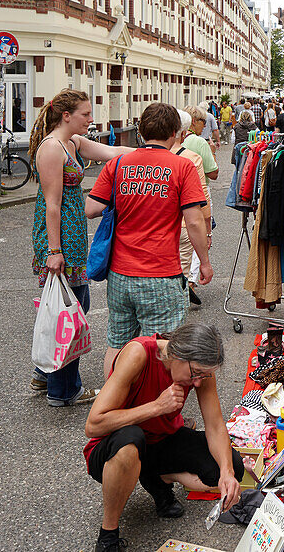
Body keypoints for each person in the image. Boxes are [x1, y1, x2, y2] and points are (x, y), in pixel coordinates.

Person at [84, 321, 243, 552]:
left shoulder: (200, 370)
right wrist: (156, 407)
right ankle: (108, 533)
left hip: (159, 441)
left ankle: (158, 478)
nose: (197, 382)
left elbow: (216, 426)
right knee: (131, 439)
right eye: (195, 374)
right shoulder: (139, 354)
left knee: (231, 466)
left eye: (204, 376)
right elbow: (94, 424)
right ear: (177, 353)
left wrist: (227, 473)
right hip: (112, 448)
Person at [85, 103, 212, 379]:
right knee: (166, 347)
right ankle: (160, 413)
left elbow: (91, 209)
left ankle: (112, 405)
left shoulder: (117, 164)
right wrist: (204, 262)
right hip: (161, 275)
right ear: (175, 134)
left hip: (119, 274)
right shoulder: (182, 167)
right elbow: (193, 221)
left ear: (141, 131)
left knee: (118, 346)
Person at [29, 90, 134, 406]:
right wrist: (54, 251)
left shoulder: (71, 143)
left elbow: (114, 151)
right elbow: (51, 205)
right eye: (86, 114)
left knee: (65, 304)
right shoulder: (51, 149)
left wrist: (154, 153)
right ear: (66, 116)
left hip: (72, 234)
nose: (91, 119)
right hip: (60, 237)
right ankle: (63, 390)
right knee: (71, 310)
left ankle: (44, 372)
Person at [172, 111, 212, 310]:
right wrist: (208, 231)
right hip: (184, 226)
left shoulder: (143, 157)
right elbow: (201, 200)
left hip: (157, 229)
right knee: (181, 272)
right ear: (184, 132)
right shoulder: (191, 159)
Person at [182, 107, 220, 306]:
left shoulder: (176, 142)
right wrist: (212, 153)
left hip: (177, 197)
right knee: (199, 234)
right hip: (198, 194)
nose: (205, 126)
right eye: (203, 122)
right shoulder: (199, 142)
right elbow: (213, 173)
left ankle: (184, 277)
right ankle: (190, 279)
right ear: (194, 121)